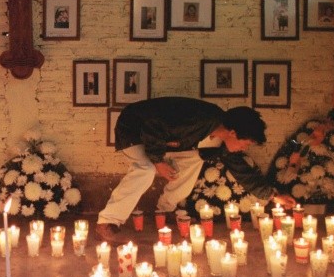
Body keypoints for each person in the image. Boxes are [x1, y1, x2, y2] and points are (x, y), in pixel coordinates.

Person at [95, 97, 295, 244]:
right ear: (233, 133)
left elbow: (241, 170)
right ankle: (106, 222)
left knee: (195, 159)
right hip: (133, 130)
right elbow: (152, 126)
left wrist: (272, 196)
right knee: (146, 169)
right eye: (246, 143)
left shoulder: (219, 139)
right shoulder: (200, 120)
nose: (245, 148)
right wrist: (158, 161)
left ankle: (164, 209)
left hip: (161, 141)